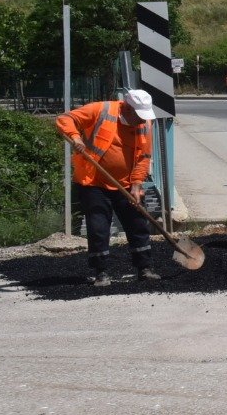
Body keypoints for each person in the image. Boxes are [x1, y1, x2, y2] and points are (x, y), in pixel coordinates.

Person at [55, 89, 158, 286]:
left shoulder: (145, 123)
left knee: (138, 224)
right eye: (138, 115)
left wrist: (136, 185)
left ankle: (145, 268)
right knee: (98, 228)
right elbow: (64, 119)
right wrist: (75, 137)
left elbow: (143, 156)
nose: (141, 120)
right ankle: (101, 272)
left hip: (126, 184)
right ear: (126, 107)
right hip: (93, 182)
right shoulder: (100, 110)